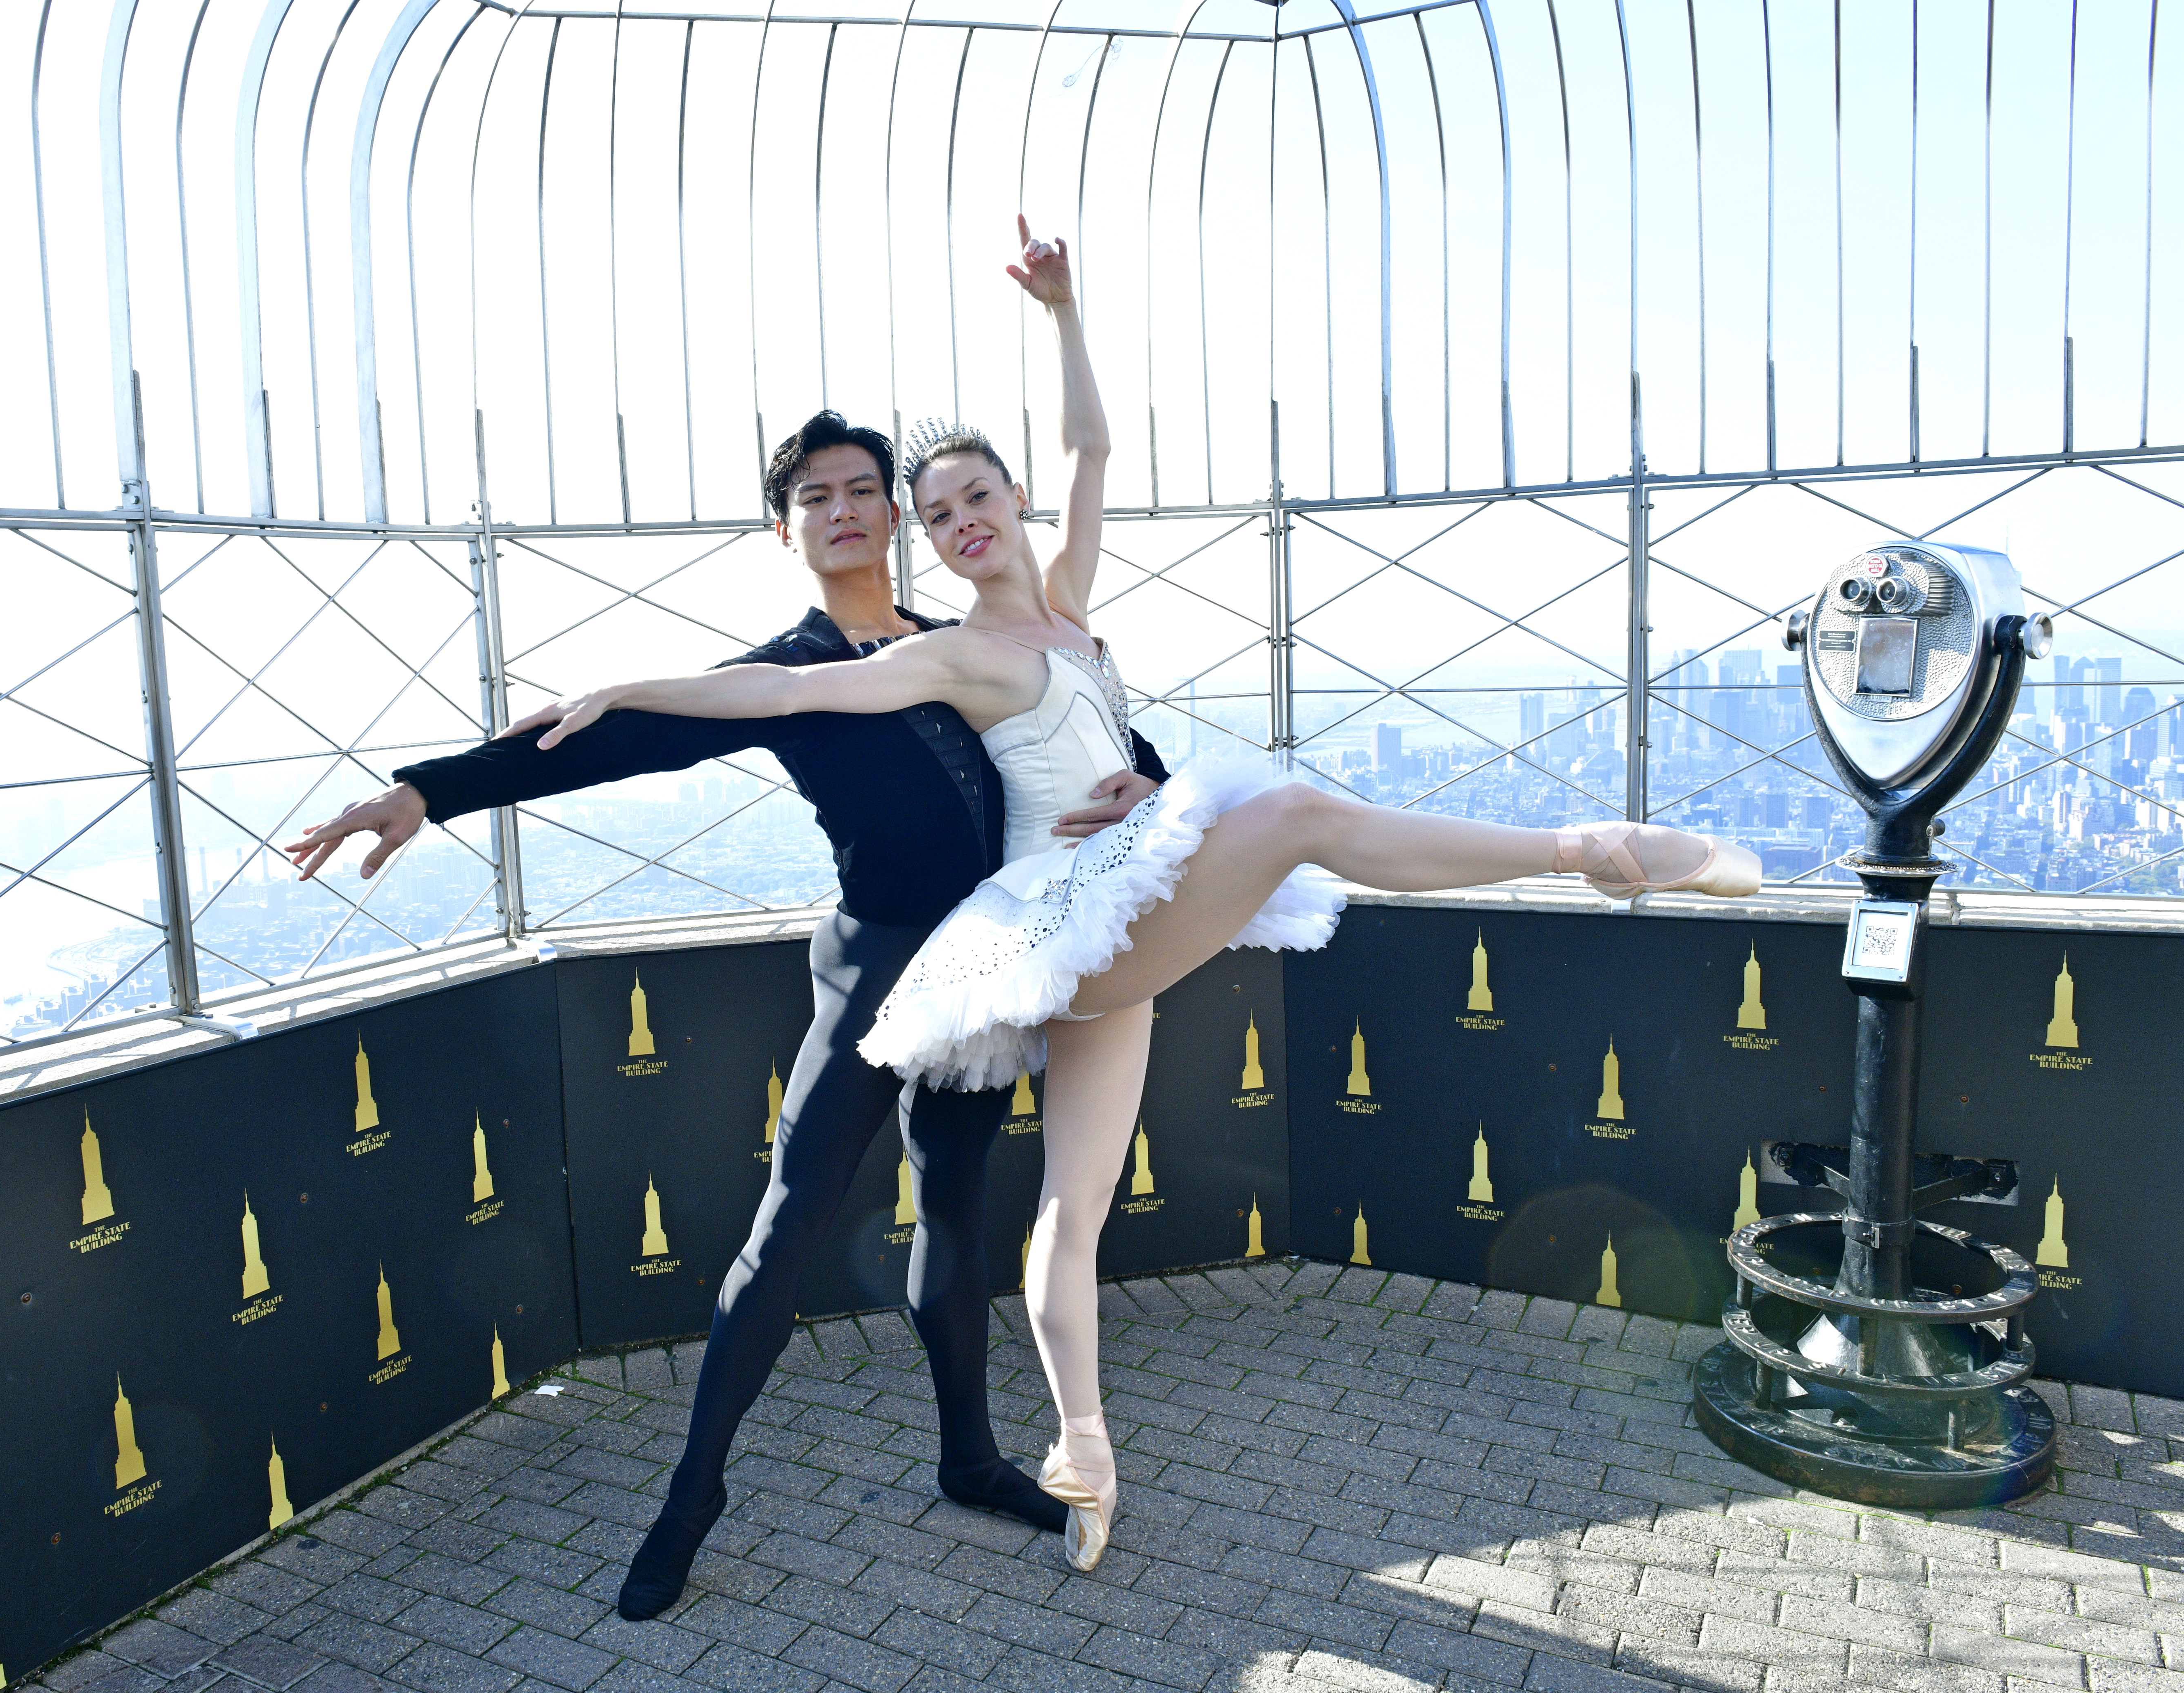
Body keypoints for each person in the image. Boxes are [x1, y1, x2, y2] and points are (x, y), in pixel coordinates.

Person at [507, 216, 1764, 1574]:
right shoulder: (959, 655)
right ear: (925, 545)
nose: (958, 522)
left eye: (975, 497)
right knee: (1290, 816)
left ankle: (1084, 1451)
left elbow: (1093, 451)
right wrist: (627, 686)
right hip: (1067, 920)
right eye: (935, 517)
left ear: (1013, 507)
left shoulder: (1065, 607)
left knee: (1072, 1209)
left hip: (1124, 893)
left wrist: (1063, 315)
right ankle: (1585, 851)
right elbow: (792, 688)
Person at [283, 411, 1181, 1620]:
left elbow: (1094, 735)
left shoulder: (964, 641)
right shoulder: (792, 672)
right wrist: (427, 791)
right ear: (786, 527)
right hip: (874, 980)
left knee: (958, 1219)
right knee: (789, 1231)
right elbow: (612, 744)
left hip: (988, 975)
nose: (848, 508)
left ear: (899, 518)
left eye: (867, 489)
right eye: (819, 496)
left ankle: (969, 1458)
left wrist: (1153, 782)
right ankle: (691, 1499)